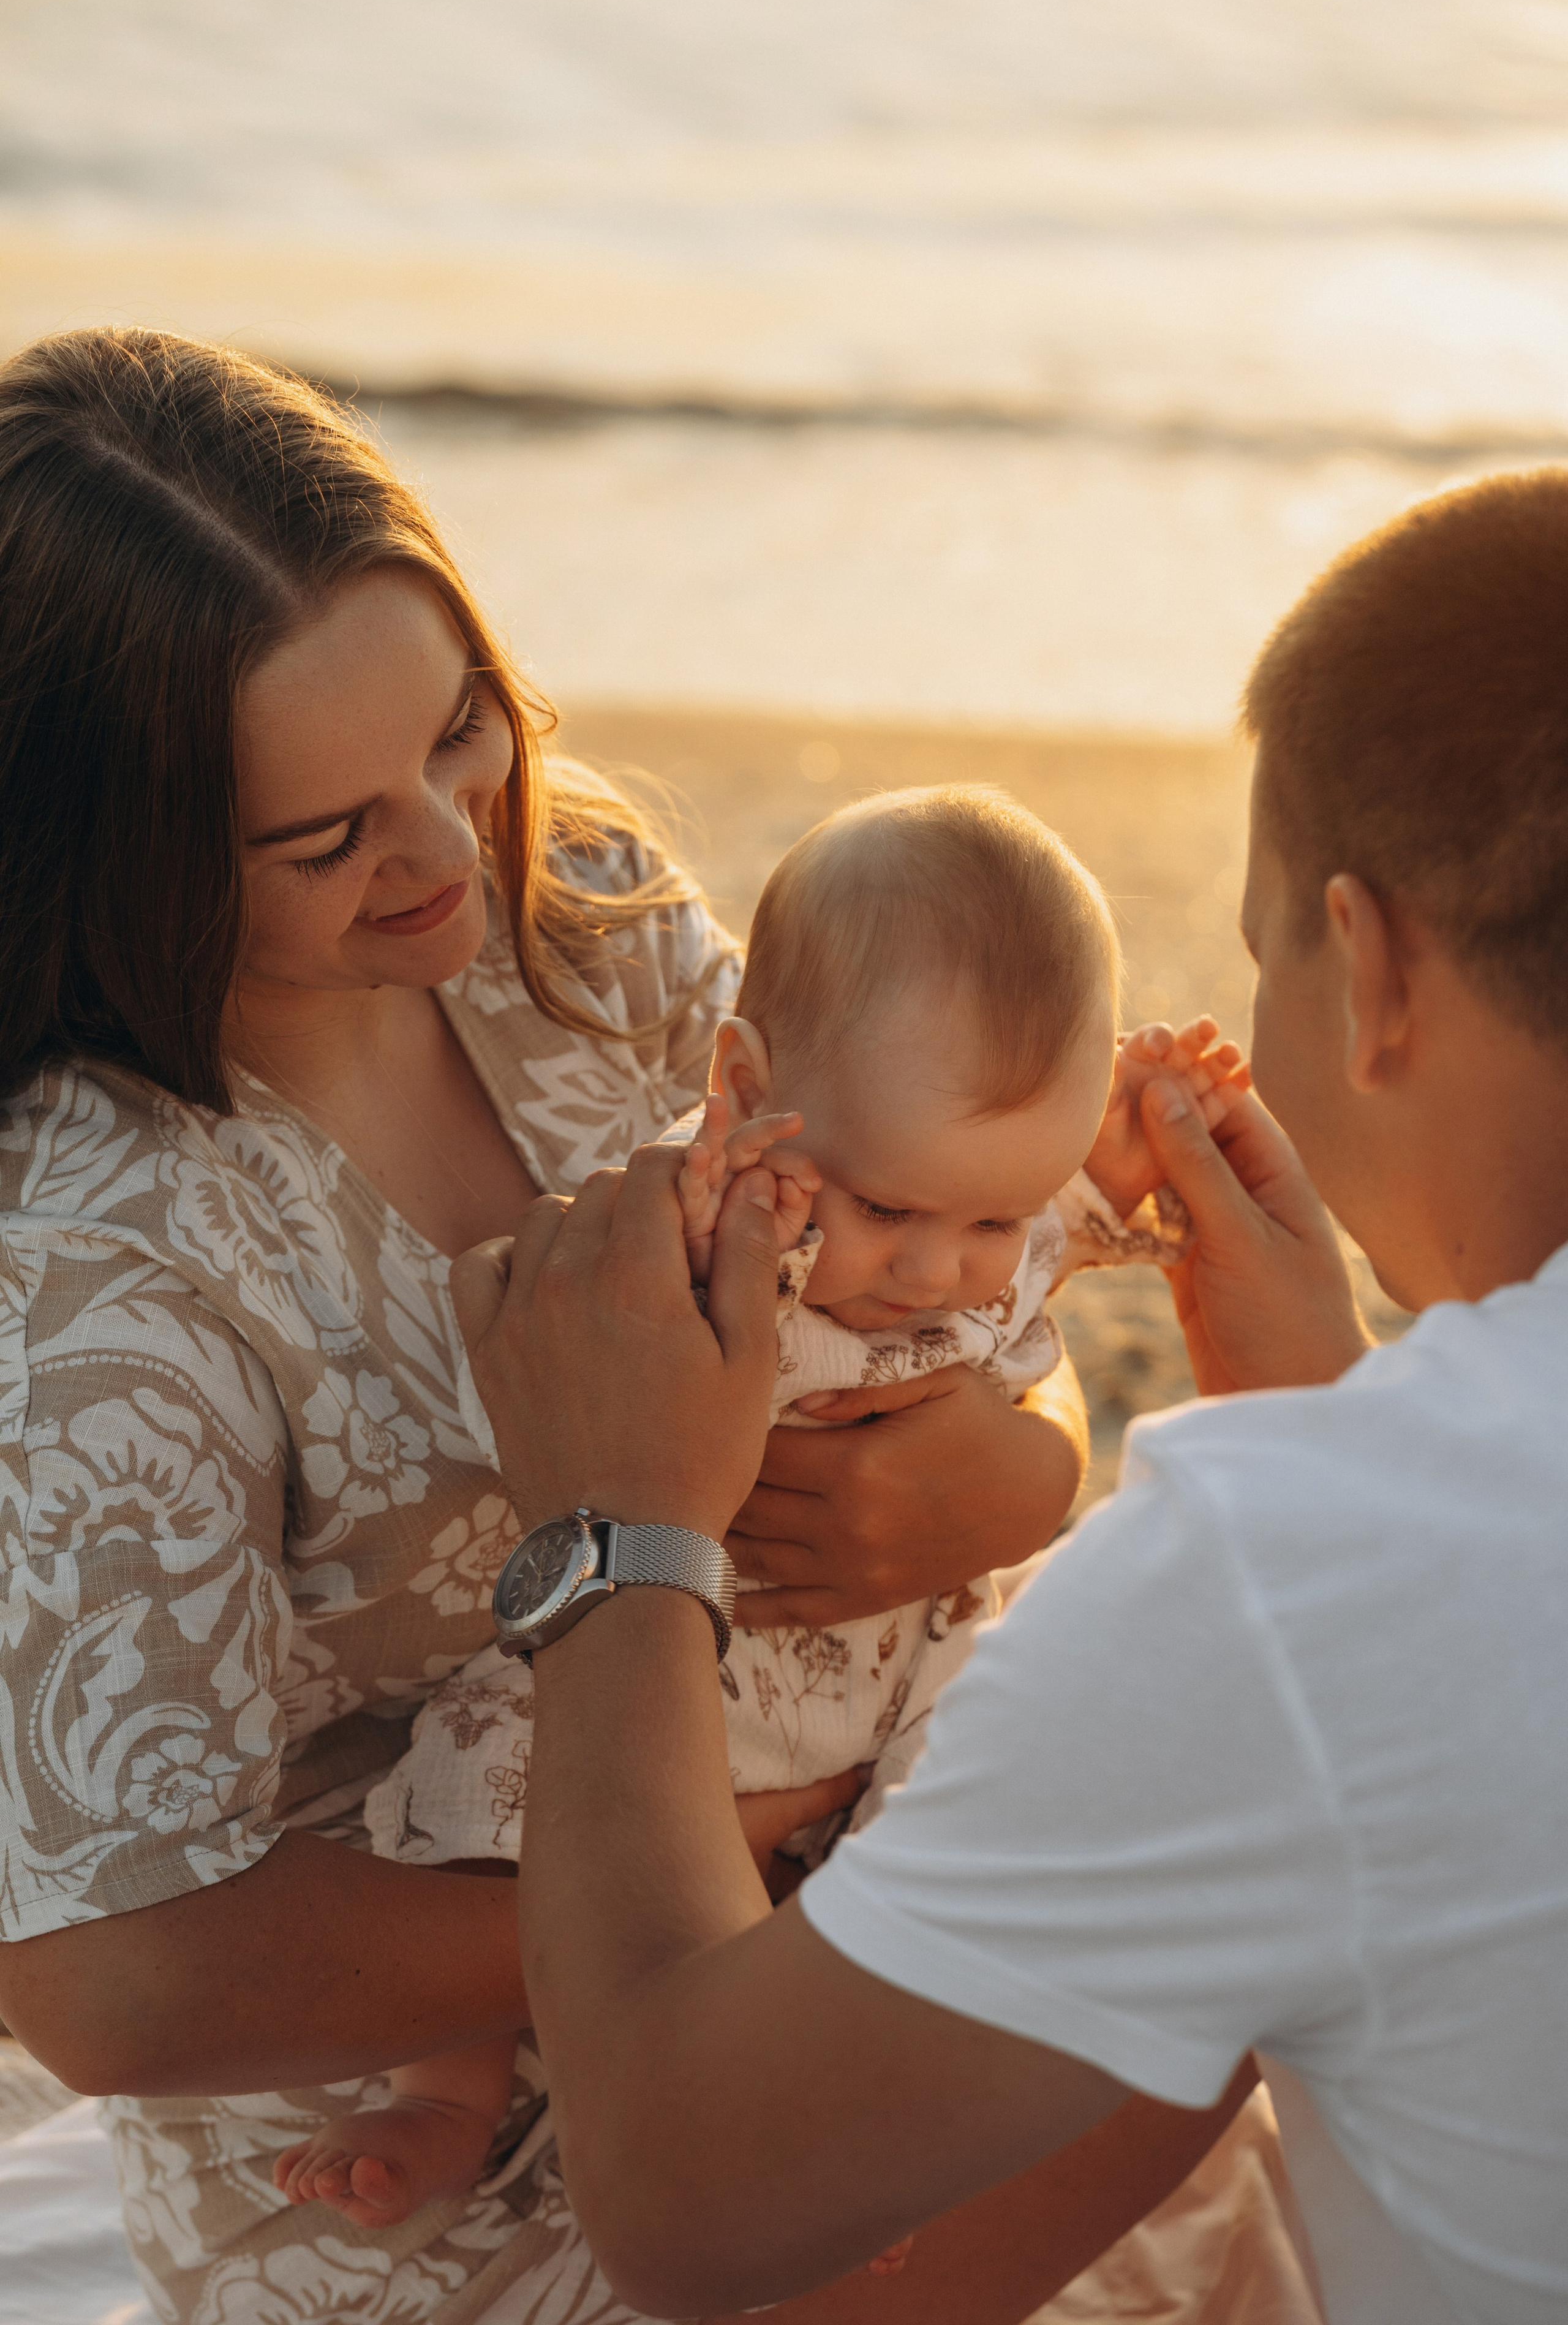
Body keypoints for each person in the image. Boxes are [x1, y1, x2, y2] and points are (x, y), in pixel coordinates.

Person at [0, 324, 1280, 2325]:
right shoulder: (80, 1270)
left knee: (1282, 1945)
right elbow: (107, 1981)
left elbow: (911, 1292)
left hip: (825, 1863)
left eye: (455, 732)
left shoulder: (572, 894)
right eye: (323, 835)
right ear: (105, 850)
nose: (441, 854)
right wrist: (734, 1865)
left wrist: (1000, 1489)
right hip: (416, 2112)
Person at [448, 469, 1568, 2325]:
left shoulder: (1298, 1585)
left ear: (1366, 974)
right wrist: (1330, 1416)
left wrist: (620, 1541)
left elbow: (679, 2194)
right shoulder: (1351, 1558)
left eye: (1267, 934)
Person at [273, 785, 1249, 2229]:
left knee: (962, 1838)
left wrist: (1138, 1141)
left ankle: (891, 2107)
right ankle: (442, 2098)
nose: (937, 1271)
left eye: (989, 1220)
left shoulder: (987, 1208)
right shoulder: (715, 1217)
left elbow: (1091, 1221)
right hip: (673, 1672)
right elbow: (576, 1325)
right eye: (887, 1210)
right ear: (741, 1089)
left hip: (900, 1662)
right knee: (490, 1781)